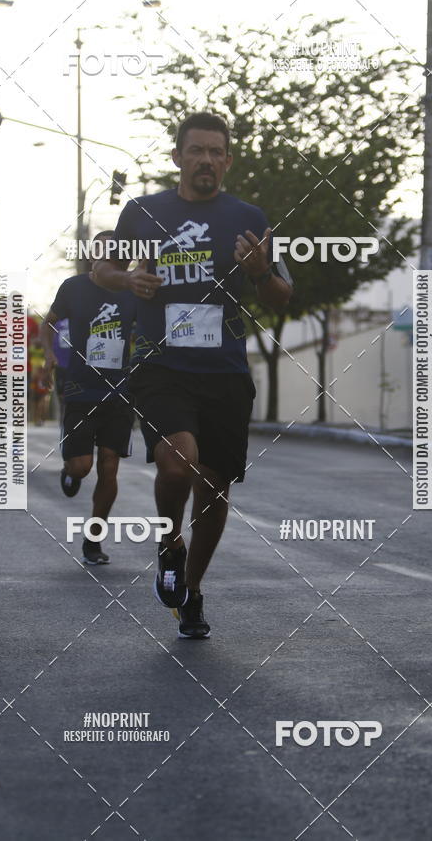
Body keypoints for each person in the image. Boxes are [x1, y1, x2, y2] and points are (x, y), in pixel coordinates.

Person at [92, 112, 293, 638]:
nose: (206, 160)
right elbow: (100, 269)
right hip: (162, 367)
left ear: (227, 160)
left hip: (224, 373)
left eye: (215, 152)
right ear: (177, 157)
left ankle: (193, 593)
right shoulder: (142, 212)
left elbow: (281, 295)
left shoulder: (249, 217)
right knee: (177, 463)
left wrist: (260, 273)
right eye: (196, 150)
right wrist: (127, 276)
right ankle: (168, 543)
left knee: (214, 488)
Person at [41, 231, 137, 566]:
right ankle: (70, 471)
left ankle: (93, 541)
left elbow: (147, 332)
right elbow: (48, 324)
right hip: (81, 388)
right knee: (83, 467)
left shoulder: (134, 290)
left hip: (119, 390)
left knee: (110, 466)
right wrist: (49, 356)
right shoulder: (74, 287)